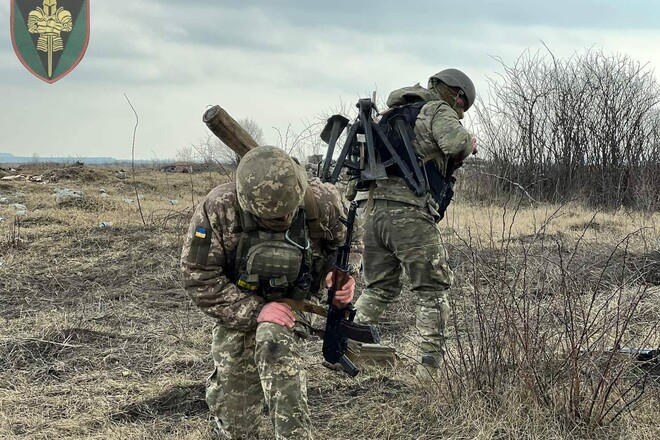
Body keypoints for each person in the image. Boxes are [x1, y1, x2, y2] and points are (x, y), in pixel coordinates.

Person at [180, 145, 361, 439]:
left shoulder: (322, 201)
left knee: (272, 339)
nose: (283, 221)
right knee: (236, 421)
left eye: (287, 215)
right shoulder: (220, 208)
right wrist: (255, 310)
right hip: (237, 305)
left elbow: (350, 244)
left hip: (298, 303)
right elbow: (199, 277)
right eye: (272, 220)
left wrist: (344, 274)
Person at [351, 69, 478, 379]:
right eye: (462, 106)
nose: (460, 111)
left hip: (373, 212)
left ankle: (348, 347)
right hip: (408, 213)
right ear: (456, 94)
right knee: (432, 291)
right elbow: (456, 144)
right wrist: (470, 142)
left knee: (379, 288)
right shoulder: (437, 109)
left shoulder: (390, 115)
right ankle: (429, 371)